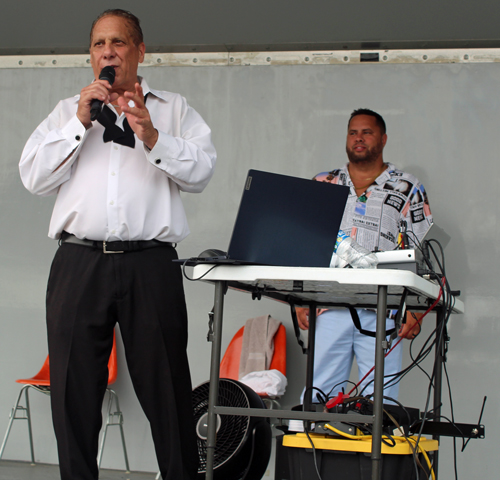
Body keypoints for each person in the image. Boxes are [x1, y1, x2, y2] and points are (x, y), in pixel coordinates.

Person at [19, 9, 216, 480]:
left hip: (149, 264)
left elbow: (201, 172)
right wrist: (78, 123)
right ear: (91, 55)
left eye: (118, 42)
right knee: (74, 393)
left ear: (140, 51)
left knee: (167, 389)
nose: (107, 52)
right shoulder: (69, 110)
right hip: (78, 262)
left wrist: (152, 134)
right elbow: (33, 176)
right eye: (98, 44)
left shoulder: (173, 109)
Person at [297, 108, 432, 404]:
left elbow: (420, 250)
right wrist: (299, 298)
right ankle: (314, 449)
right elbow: (305, 245)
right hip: (328, 304)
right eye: (353, 132)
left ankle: (373, 451)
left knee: (380, 401)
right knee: (319, 394)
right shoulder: (323, 182)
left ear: (383, 139)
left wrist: (415, 307)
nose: (359, 138)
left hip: (385, 308)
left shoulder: (408, 187)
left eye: (367, 132)